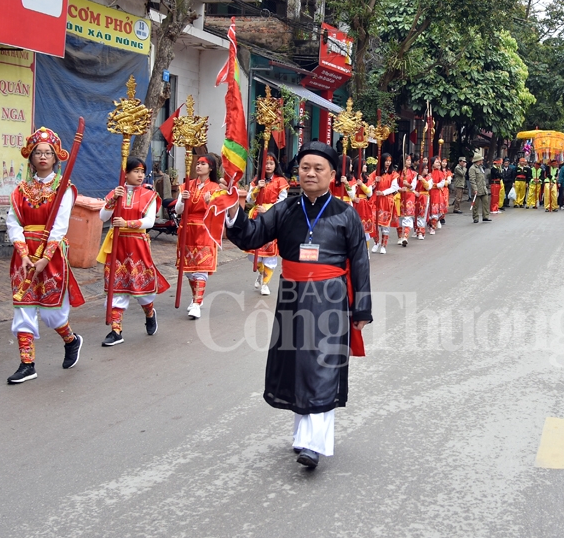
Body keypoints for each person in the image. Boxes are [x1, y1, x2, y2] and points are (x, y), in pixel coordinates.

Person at [224, 141, 372, 469]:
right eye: (305, 167)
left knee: (320, 365)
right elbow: (252, 235)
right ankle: (302, 435)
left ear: (332, 174)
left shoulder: (345, 214)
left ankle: (313, 444)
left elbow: (360, 262)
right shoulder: (286, 208)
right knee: (295, 364)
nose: (310, 173)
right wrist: (234, 211)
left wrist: (361, 308)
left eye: (318, 168)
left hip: (330, 300)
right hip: (291, 296)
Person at [5, 127, 86, 384]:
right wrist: (23, 252)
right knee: (24, 308)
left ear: (55, 158)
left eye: (48, 153)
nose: (42, 156)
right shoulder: (20, 190)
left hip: (51, 256)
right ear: (30, 157)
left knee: (53, 314)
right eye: (38, 152)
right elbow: (13, 222)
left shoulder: (64, 189)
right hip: (24, 255)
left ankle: (71, 340)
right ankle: (27, 364)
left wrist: (45, 257)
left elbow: (61, 225)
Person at [97, 157, 170, 346]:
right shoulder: (116, 192)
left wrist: (127, 223)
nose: (140, 175)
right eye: (135, 171)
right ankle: (116, 330)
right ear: (126, 173)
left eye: (142, 171)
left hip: (137, 244)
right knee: (117, 286)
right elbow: (102, 216)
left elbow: (149, 222)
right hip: (117, 245)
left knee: (141, 287)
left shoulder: (149, 195)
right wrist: (113, 200)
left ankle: (150, 312)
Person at [175, 153, 223, 319]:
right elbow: (178, 211)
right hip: (187, 229)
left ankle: (196, 302)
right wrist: (183, 200)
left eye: (203, 164)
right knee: (188, 269)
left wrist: (211, 203)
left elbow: (218, 213)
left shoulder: (216, 188)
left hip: (205, 229)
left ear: (210, 168)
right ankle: (196, 297)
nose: (199, 166)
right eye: (198, 163)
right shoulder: (186, 186)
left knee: (201, 267)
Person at [246, 152, 290, 295]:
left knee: (270, 252)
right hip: (257, 215)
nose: (269, 166)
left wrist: (268, 209)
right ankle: (261, 272)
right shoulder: (257, 180)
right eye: (266, 163)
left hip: (272, 216)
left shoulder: (280, 181)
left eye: (271, 163)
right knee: (253, 253)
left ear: (275, 165)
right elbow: (249, 200)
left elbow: (283, 201)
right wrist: (257, 188)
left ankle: (265, 283)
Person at [367, 153, 399, 253]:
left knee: (385, 224)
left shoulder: (393, 174)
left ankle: (384, 245)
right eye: (386, 161)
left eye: (389, 161)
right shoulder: (375, 173)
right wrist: (374, 182)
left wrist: (383, 192)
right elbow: (368, 187)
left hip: (386, 200)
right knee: (374, 222)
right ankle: (376, 243)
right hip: (375, 200)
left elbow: (394, 187)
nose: (388, 163)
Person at [396, 154, 417, 246]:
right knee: (399, 217)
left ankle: (405, 236)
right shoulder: (397, 174)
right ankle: (400, 237)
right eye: (407, 160)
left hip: (409, 196)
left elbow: (414, 186)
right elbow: (394, 185)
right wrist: (399, 189)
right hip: (399, 196)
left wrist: (407, 185)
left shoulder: (413, 173)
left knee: (407, 217)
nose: (409, 162)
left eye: (410, 160)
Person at [468, 150, 491, 223]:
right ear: (478, 160)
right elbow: (472, 180)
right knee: (476, 205)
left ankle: (485, 216)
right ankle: (475, 217)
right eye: (481, 160)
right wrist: (475, 189)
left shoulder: (481, 167)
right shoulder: (472, 168)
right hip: (477, 189)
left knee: (486, 203)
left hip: (483, 188)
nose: (482, 161)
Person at [428, 157, 446, 235]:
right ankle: (429, 224)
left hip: (436, 193)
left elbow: (442, 183)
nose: (438, 164)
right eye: (436, 162)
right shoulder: (429, 173)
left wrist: (435, 185)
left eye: (439, 162)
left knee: (435, 211)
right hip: (428, 193)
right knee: (428, 211)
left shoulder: (440, 173)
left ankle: (433, 227)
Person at [414, 161, 432, 239]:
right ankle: (416, 229)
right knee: (415, 214)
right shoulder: (415, 177)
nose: (427, 170)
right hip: (415, 197)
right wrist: (414, 192)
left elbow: (428, 187)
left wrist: (422, 180)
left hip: (424, 197)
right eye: (425, 169)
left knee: (422, 215)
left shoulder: (429, 178)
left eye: (427, 168)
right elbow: (411, 187)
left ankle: (421, 231)